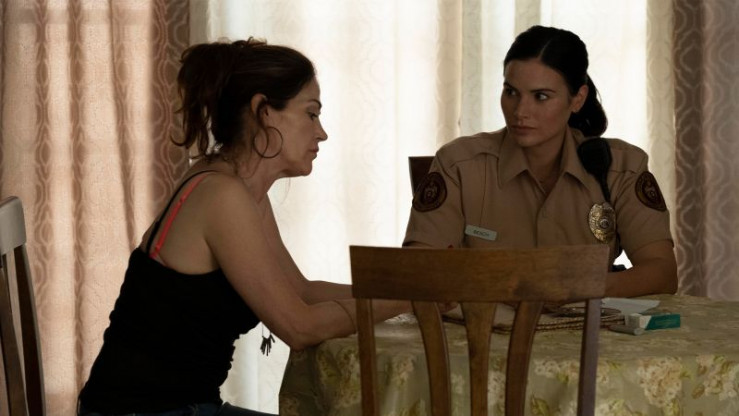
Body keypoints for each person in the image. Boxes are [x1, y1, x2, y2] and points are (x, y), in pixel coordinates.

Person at [77, 38, 410, 416]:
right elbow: (299, 327)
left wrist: (406, 292)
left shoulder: (240, 189)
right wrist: (412, 301)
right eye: (311, 114)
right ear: (263, 111)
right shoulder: (222, 196)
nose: (321, 133)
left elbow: (301, 291)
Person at [403, 25, 677, 298]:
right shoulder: (459, 165)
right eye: (511, 92)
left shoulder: (620, 167)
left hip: (589, 322)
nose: (520, 111)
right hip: (485, 324)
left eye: (541, 97)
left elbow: (662, 273)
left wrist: (579, 287)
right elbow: (417, 271)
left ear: (577, 99)